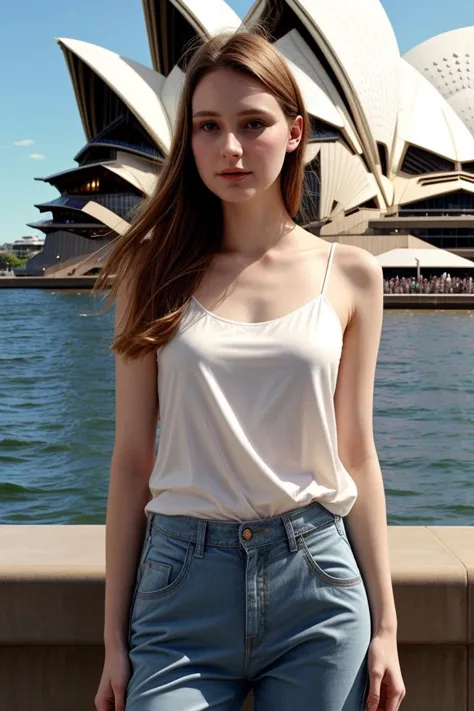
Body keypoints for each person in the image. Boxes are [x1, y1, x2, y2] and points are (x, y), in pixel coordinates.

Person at [92, 31, 405, 711]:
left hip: (317, 582)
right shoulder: (152, 271)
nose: (229, 148)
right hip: (181, 586)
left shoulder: (351, 274)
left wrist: (386, 622)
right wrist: (114, 639)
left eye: (253, 123)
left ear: (295, 133)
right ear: (189, 139)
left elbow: (356, 453)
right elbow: (130, 458)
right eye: (208, 127)